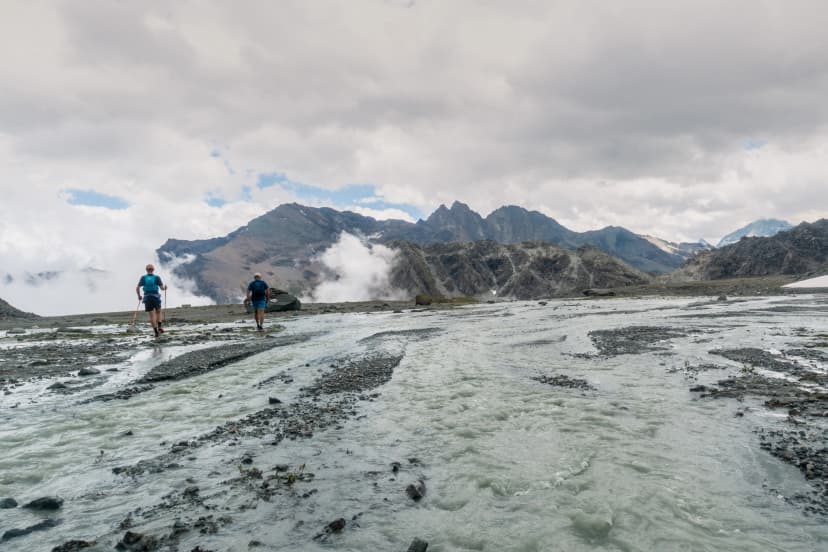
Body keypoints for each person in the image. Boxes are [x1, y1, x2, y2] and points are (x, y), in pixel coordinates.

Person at [136, 263, 168, 338]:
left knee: (151, 315)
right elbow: (162, 288)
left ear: (146, 270)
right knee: (159, 311)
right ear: (153, 270)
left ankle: (156, 332)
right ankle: (159, 327)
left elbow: (137, 287)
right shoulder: (157, 277)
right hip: (155, 296)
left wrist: (139, 296)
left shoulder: (143, 278)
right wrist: (165, 288)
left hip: (147, 297)